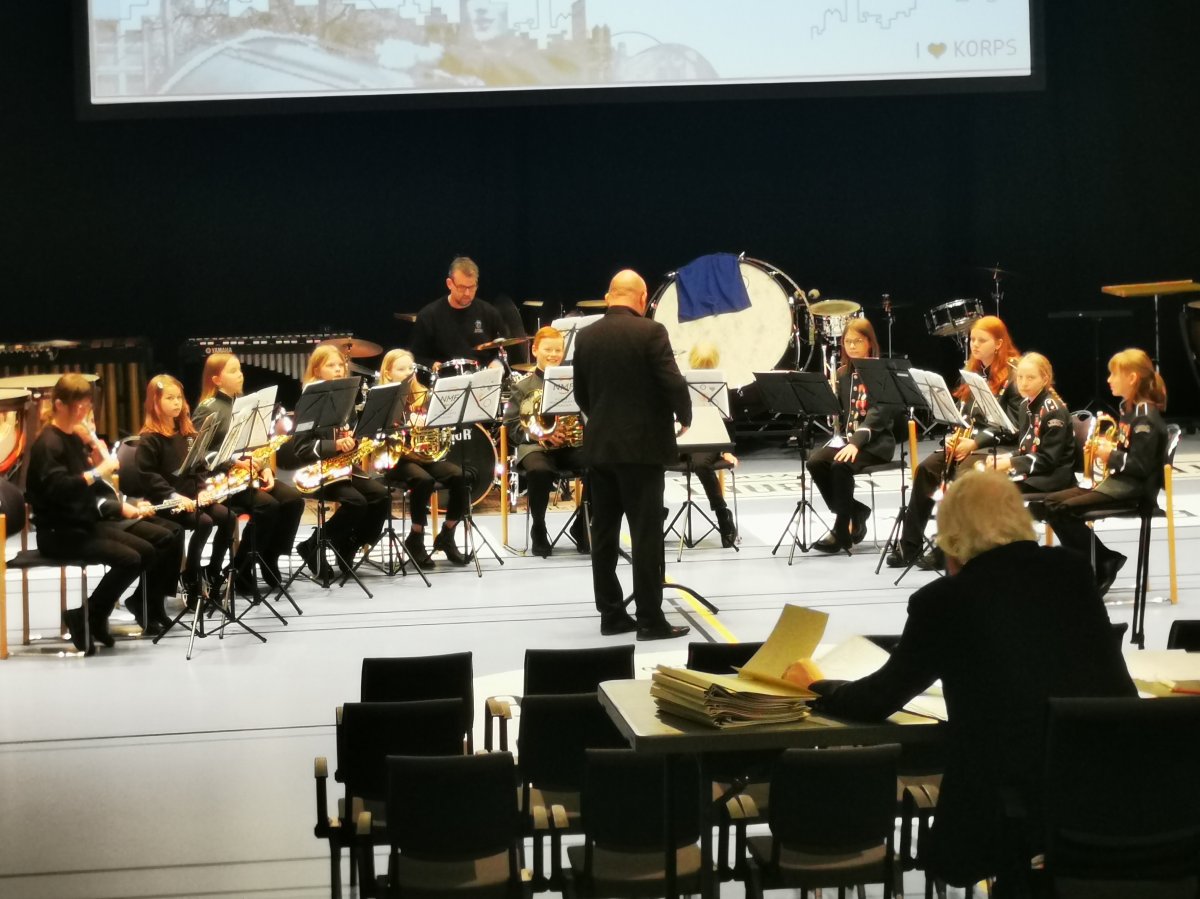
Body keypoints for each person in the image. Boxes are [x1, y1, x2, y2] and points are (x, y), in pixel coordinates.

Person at [810, 470, 1136, 890]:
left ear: (952, 534)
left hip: (1009, 809)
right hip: (1109, 795)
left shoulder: (945, 601)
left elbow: (879, 698)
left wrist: (823, 688)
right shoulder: (1072, 571)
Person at [573, 269, 692, 641]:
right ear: (642, 298)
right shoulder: (651, 331)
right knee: (645, 536)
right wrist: (685, 416)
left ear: (609, 296)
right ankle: (650, 620)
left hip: (600, 448)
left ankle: (611, 615)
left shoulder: (586, 335)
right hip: (642, 449)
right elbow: (671, 380)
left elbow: (580, 394)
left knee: (604, 535)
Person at [24, 373, 184, 648]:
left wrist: (120, 504)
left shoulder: (73, 437)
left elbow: (98, 485)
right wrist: (97, 472)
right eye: (78, 406)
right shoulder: (49, 443)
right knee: (130, 559)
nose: (83, 411)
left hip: (83, 524)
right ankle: (90, 615)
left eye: (86, 405)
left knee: (146, 551)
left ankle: (90, 614)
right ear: (59, 405)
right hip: (58, 532)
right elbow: (60, 488)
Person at [888, 315, 1024, 568]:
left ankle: (948, 549)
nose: (975, 345)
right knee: (927, 469)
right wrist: (955, 436)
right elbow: (964, 415)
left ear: (998, 343)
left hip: (1001, 447)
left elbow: (1013, 428)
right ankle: (910, 545)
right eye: (972, 340)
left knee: (962, 474)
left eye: (982, 340)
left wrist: (974, 443)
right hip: (970, 444)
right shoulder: (972, 371)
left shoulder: (1015, 376)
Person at [1031, 348, 1168, 596]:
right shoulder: (1130, 409)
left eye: (1114, 374)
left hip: (1133, 490)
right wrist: (1107, 447)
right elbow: (1128, 450)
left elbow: (1140, 466)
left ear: (1132, 378)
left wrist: (1108, 454)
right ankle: (1099, 560)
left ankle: (1097, 564)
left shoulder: (1145, 417)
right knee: (1048, 503)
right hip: (1118, 483)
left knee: (1061, 508)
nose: (1109, 379)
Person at [191, 353, 305, 592]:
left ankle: (269, 555)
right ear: (216, 379)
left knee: (293, 500)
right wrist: (233, 461)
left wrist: (266, 468)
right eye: (233, 371)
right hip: (222, 480)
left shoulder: (245, 404)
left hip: (249, 474)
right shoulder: (207, 409)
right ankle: (242, 568)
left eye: (240, 370)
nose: (240, 375)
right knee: (268, 506)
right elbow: (200, 454)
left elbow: (256, 444)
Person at [285, 346, 390, 584]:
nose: (338, 370)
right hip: (319, 469)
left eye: (340, 365)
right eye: (331, 365)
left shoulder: (347, 396)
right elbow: (301, 448)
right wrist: (335, 445)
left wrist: (355, 440)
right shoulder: (309, 401)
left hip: (344, 466)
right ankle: (313, 545)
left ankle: (349, 544)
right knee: (357, 502)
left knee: (381, 497)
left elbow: (351, 430)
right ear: (316, 369)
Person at [134, 375, 236, 608]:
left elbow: (197, 468)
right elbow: (148, 476)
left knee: (228, 517)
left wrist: (201, 490)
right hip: (166, 501)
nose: (176, 403)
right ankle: (191, 575)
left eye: (179, 397)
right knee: (204, 522)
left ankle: (213, 571)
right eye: (169, 398)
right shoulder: (150, 438)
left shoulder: (187, 433)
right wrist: (173, 495)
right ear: (155, 402)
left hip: (191, 497)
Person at [806, 317, 899, 553]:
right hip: (849, 441)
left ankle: (842, 530)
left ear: (870, 343)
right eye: (847, 341)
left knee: (840, 465)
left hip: (876, 445)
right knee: (815, 462)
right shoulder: (843, 373)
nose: (852, 346)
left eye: (858, 341)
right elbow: (839, 410)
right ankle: (856, 511)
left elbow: (879, 415)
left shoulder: (882, 373)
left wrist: (856, 443)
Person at [377, 348, 470, 566]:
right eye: (401, 369)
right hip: (396, 458)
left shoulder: (424, 395)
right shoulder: (382, 397)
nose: (408, 373)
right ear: (388, 373)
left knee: (460, 476)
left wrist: (431, 424)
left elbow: (441, 428)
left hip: (423, 456)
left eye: (411, 368)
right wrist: (406, 427)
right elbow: (378, 435)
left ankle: (447, 534)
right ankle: (416, 537)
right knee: (423, 480)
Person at [503, 326, 589, 557]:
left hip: (569, 446)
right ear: (534, 350)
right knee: (539, 471)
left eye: (558, 350)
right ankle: (539, 528)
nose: (553, 354)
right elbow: (511, 427)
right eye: (547, 349)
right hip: (534, 448)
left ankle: (582, 525)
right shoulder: (522, 386)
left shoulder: (573, 382)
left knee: (600, 464)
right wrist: (541, 435)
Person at [982, 352, 1075, 494]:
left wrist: (1010, 463)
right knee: (982, 481)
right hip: (1036, 471)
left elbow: (1048, 459)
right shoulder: (1025, 405)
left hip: (1052, 476)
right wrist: (1006, 457)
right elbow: (1027, 448)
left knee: (995, 490)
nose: (1023, 383)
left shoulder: (1053, 411)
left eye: (1030, 378)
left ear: (1045, 379)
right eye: (1020, 377)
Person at [683, 341, 738, 547]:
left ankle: (723, 515)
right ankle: (656, 513)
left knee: (701, 464)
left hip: (709, 438)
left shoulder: (721, 386)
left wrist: (727, 449)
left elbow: (729, 421)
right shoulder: (681, 384)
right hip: (684, 434)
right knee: (653, 459)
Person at [410, 256, 508, 369]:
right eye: (461, 287)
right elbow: (416, 357)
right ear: (449, 283)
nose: (467, 293)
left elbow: (503, 348)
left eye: (471, 287)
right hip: (446, 377)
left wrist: (497, 362)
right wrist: (432, 364)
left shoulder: (490, 313)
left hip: (483, 376)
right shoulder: (428, 316)